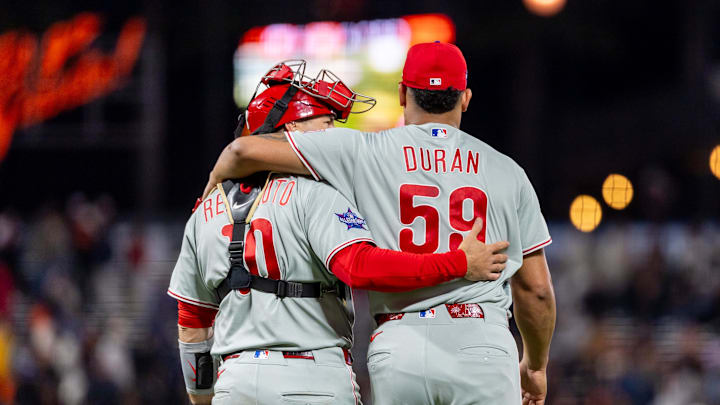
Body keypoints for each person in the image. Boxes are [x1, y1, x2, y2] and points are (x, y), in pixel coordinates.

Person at [202, 43, 556, 405]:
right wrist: (535, 366)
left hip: (399, 343)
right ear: (464, 98)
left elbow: (241, 152)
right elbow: (536, 291)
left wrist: (210, 195)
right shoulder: (507, 172)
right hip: (482, 342)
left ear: (402, 93)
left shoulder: (362, 150)